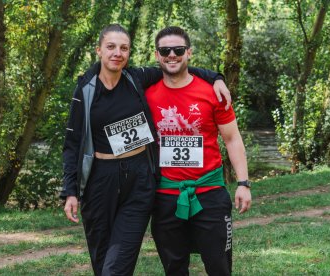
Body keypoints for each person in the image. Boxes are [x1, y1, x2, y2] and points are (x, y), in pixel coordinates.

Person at [60, 24, 232, 276]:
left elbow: (176, 66)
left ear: (129, 53)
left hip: (139, 180)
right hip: (100, 180)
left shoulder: (136, 78)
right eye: (111, 47)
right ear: (99, 50)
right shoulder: (85, 90)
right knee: (102, 260)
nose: (117, 53)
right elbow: (72, 144)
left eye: (124, 48)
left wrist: (215, 77)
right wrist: (70, 191)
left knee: (118, 265)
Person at [145, 26, 252, 276]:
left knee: (219, 267)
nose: (172, 55)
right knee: (174, 268)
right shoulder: (146, 95)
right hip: (165, 195)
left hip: (210, 193)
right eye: (165, 50)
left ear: (189, 53)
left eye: (178, 50)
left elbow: (232, 138)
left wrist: (243, 183)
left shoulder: (213, 92)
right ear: (157, 55)